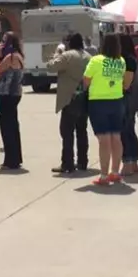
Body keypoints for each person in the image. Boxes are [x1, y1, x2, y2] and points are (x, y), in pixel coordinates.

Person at [83, 33, 129, 186]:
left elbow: (86, 80)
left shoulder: (95, 60)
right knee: (116, 137)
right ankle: (115, 172)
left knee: (104, 139)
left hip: (98, 102)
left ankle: (103, 176)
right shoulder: (120, 61)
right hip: (117, 100)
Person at [47, 33, 91, 174]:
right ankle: (83, 162)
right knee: (82, 131)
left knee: (67, 132)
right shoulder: (88, 56)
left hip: (69, 98)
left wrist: (57, 53)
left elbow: (51, 67)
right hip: (84, 97)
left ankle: (68, 163)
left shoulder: (67, 56)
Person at [0, 33, 25, 170]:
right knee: (13, 126)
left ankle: (11, 160)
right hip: (15, 94)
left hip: (6, 94)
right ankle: (15, 158)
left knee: (6, 127)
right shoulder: (19, 56)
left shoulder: (10, 57)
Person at [119, 35, 138, 175]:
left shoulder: (127, 60)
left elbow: (126, 84)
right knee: (130, 131)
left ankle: (128, 162)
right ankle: (134, 162)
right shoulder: (133, 59)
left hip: (127, 98)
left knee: (125, 132)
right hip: (134, 99)